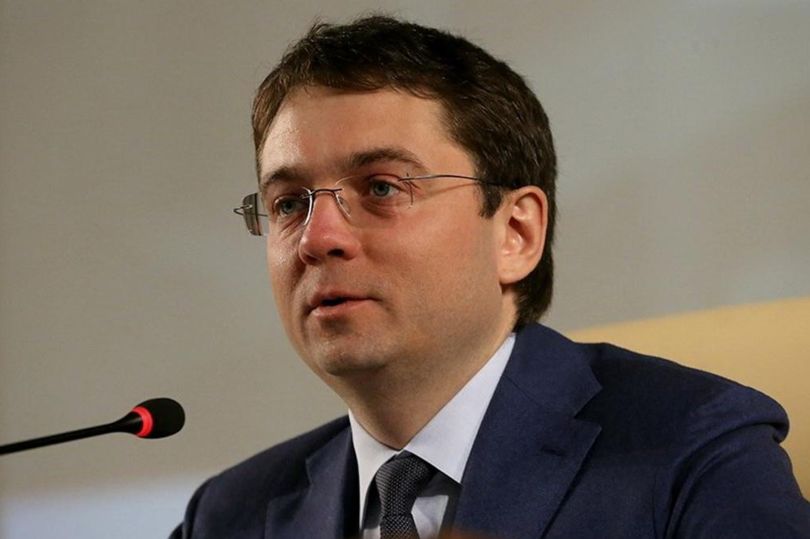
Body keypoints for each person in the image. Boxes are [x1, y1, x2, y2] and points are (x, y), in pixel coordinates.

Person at [172, 15, 810, 539]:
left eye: (382, 188)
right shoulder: (231, 516)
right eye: (288, 203)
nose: (317, 239)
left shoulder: (691, 450)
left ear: (516, 233)